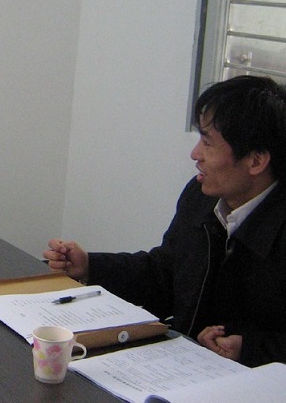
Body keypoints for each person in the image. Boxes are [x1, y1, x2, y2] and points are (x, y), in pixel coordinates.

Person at [44, 75, 286, 368]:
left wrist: (249, 350)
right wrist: (89, 266)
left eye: (208, 143)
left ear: (256, 161)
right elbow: (165, 275)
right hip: (178, 365)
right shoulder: (200, 197)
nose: (195, 154)